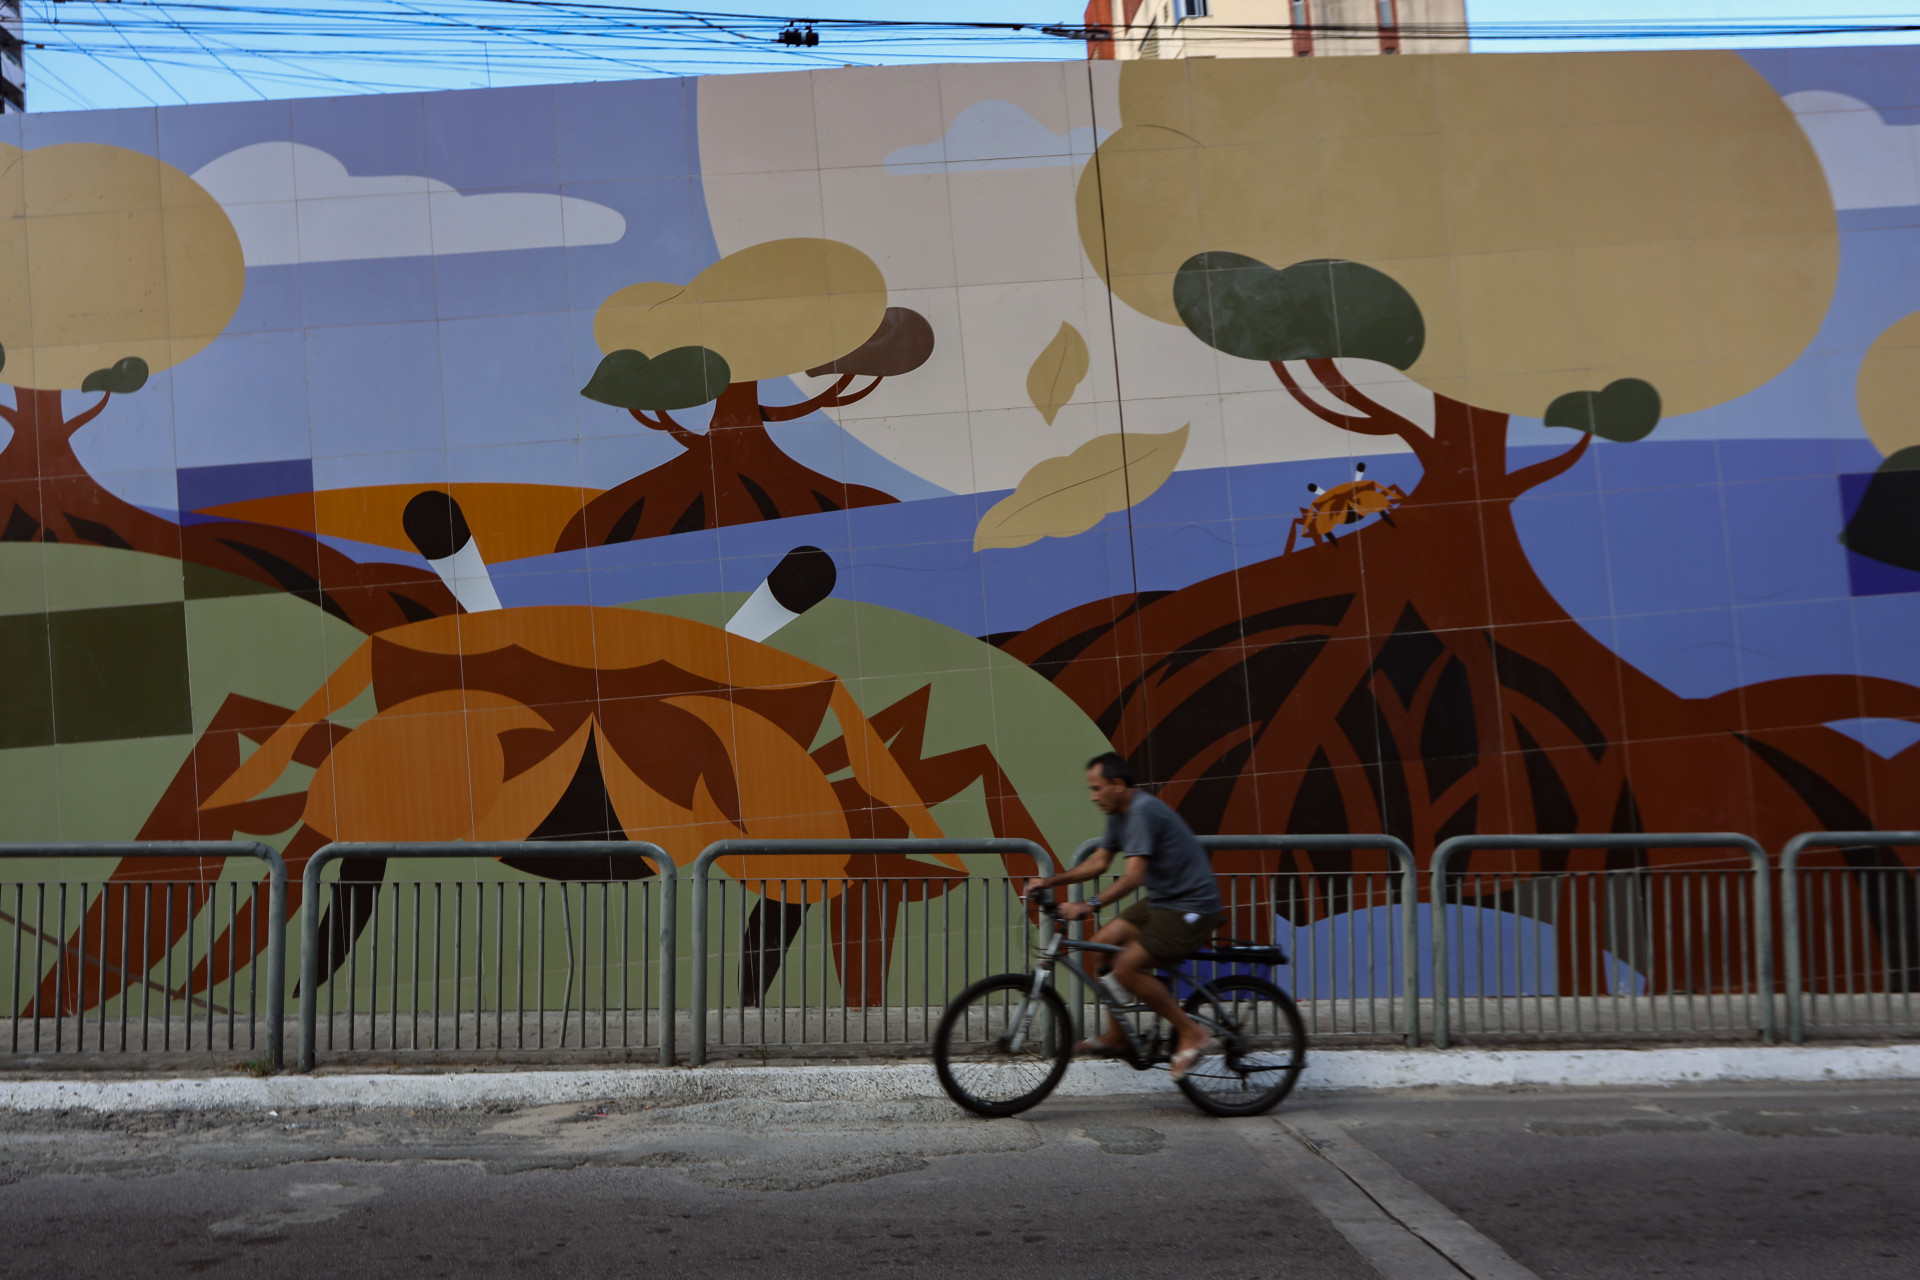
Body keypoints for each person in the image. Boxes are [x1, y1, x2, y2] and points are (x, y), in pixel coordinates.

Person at [1022, 752, 1226, 1080]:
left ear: (1118, 785)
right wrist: (1050, 881)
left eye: (1097, 788)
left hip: (1192, 907)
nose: (1092, 796)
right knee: (1099, 945)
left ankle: (1191, 1032)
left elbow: (1133, 877)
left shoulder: (1141, 812)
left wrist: (1089, 905)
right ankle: (1117, 1038)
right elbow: (1099, 862)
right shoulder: (1119, 814)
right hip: (1164, 902)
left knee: (1126, 967)